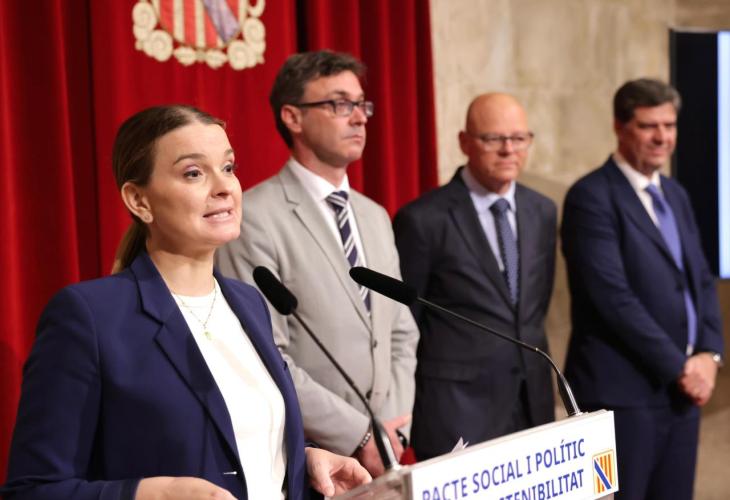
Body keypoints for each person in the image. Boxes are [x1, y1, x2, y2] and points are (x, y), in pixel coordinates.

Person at [1, 105, 370, 500]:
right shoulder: (89, 316)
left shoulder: (249, 302)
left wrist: (302, 460)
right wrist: (149, 494)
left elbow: (236, 441)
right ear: (139, 200)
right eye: (194, 173)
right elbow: (33, 490)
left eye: (228, 167)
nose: (224, 187)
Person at [216, 51, 419, 477]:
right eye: (340, 104)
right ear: (293, 117)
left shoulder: (374, 216)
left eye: (361, 104)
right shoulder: (254, 217)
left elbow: (401, 332)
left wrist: (393, 429)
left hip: (386, 448)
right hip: (310, 458)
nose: (359, 118)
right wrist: (359, 435)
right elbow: (266, 354)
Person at [561, 79, 725, 499]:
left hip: (680, 396)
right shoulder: (591, 197)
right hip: (623, 395)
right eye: (649, 126)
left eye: (669, 126)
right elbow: (612, 298)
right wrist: (682, 367)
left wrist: (709, 354)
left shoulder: (675, 193)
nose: (662, 137)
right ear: (619, 127)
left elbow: (700, 279)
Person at [392, 93, 557, 460]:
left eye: (518, 138)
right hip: (456, 410)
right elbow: (405, 322)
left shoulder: (543, 210)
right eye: (493, 139)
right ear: (465, 142)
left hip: (532, 402)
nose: (508, 150)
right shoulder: (423, 219)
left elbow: (534, 307)